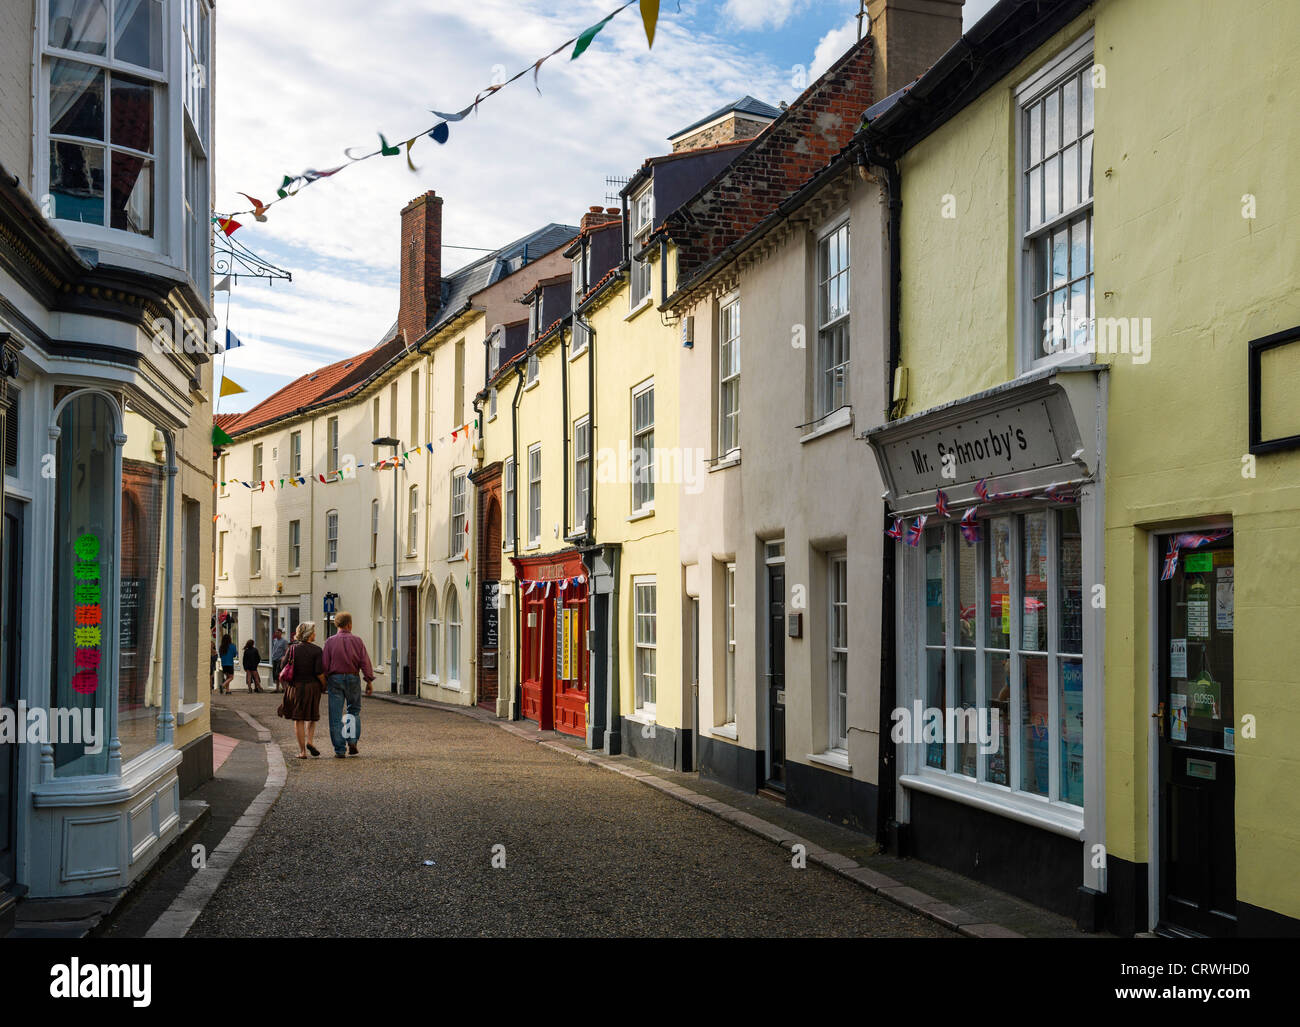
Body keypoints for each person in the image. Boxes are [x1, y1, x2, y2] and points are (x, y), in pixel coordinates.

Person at [321, 611, 375, 758]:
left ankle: (339, 749)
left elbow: (325, 665)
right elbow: (365, 661)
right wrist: (369, 680)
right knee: (353, 711)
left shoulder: (330, 642)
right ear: (349, 624)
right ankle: (352, 740)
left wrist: (324, 682)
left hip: (335, 679)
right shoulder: (357, 641)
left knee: (336, 715)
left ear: (336, 624)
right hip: (353, 677)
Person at [279, 621, 326, 759]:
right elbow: (319, 672)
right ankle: (310, 741)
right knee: (312, 716)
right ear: (310, 634)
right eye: (314, 632)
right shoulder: (317, 650)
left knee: (298, 719)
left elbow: (283, 666)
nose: (315, 634)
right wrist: (324, 684)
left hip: (296, 687)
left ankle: (302, 751)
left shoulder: (292, 649)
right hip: (312, 687)